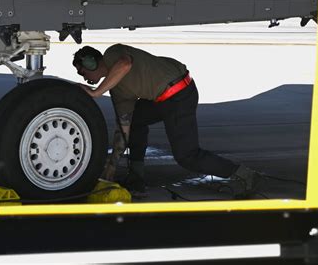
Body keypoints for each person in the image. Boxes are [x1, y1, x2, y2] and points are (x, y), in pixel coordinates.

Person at [73, 44, 261, 197]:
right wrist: (111, 168)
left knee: (187, 156)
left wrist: (97, 92)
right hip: (162, 100)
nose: (85, 78)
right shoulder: (118, 91)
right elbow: (124, 128)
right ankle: (136, 177)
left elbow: (125, 65)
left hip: (180, 94)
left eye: (83, 73)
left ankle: (244, 174)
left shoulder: (113, 54)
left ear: (91, 63)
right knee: (135, 120)